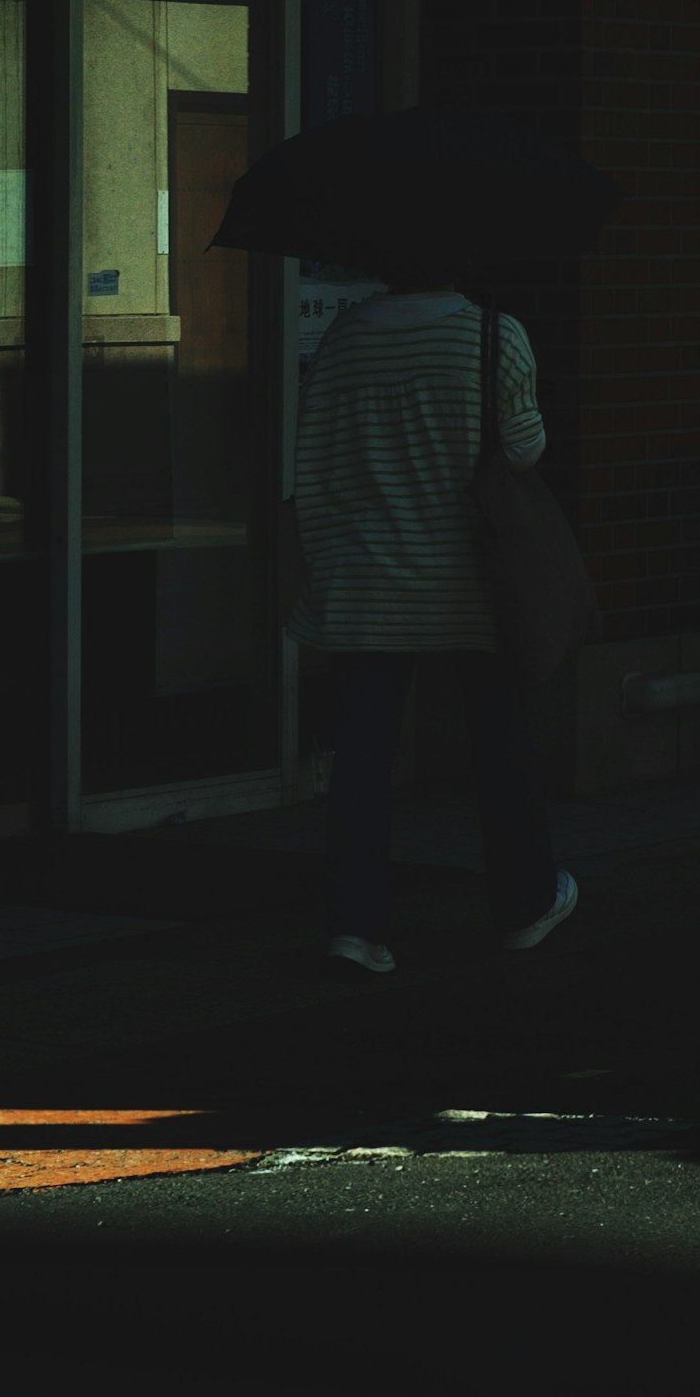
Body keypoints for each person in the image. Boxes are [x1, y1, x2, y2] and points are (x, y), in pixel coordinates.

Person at [290, 266, 580, 973]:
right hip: (472, 581)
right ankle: (523, 904)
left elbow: (317, 454)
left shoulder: (343, 337)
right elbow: (523, 449)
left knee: (361, 758)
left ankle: (354, 928)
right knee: (500, 744)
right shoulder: (494, 334)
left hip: (367, 579)